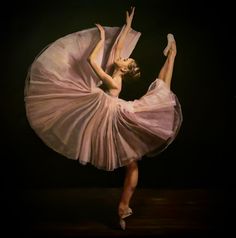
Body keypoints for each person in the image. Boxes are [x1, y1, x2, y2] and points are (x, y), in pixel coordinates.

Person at [24, 7, 182, 231]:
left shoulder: (112, 81)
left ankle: (172, 55)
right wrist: (127, 26)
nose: (122, 57)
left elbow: (91, 60)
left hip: (119, 117)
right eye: (125, 58)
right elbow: (117, 48)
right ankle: (123, 209)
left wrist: (100, 37)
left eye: (126, 60)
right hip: (112, 118)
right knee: (133, 163)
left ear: (125, 70)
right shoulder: (116, 71)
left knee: (161, 92)